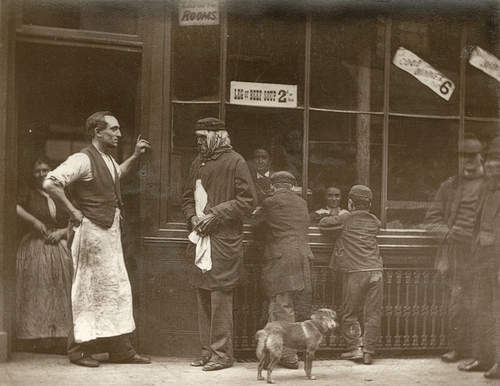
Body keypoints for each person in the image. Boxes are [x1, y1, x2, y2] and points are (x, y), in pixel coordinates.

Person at [42, 111, 151, 367]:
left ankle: (120, 350)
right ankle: (79, 351)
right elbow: (51, 182)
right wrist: (73, 211)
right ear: (97, 132)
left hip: (109, 234)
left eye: (118, 129)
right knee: (87, 291)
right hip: (90, 233)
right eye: (113, 129)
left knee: (115, 290)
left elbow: (116, 175)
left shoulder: (108, 160)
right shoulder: (82, 158)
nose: (119, 134)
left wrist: (134, 157)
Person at [182, 117, 257, 371]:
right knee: (202, 294)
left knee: (220, 298)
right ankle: (207, 352)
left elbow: (248, 201)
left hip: (224, 242)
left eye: (203, 138)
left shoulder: (236, 161)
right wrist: (192, 217)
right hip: (201, 239)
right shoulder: (197, 162)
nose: (199, 143)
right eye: (198, 138)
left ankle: (222, 355)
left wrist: (216, 213)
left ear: (216, 136)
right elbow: (185, 198)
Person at [425, 133, 484, 363]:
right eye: (463, 156)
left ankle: (482, 354)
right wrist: (448, 235)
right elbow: (431, 219)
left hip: (485, 252)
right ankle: (458, 348)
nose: (468, 160)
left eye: (472, 155)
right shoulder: (450, 185)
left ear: (481, 157)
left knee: (485, 303)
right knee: (458, 302)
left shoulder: (493, 185)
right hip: (457, 254)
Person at [253, 170, 314, 369]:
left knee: (283, 306)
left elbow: (256, 225)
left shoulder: (270, 203)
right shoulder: (302, 203)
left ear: (273, 186)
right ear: (292, 185)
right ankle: (272, 352)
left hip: (281, 260)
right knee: (278, 305)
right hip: (301, 259)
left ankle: (289, 356)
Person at [319, 185, 382, 365]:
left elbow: (323, 224)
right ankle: (369, 351)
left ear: (351, 203)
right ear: (369, 203)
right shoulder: (374, 220)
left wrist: (341, 215)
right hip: (376, 270)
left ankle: (354, 347)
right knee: (373, 313)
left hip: (356, 271)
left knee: (350, 313)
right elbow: (375, 227)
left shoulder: (345, 218)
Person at [15, 156, 72, 354]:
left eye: (45, 170)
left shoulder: (61, 194)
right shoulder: (29, 192)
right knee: (38, 290)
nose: (41, 174)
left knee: (61, 290)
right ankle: (36, 338)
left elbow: (78, 217)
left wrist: (62, 232)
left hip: (59, 244)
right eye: (37, 171)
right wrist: (34, 222)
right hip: (35, 246)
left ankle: (60, 338)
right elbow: (14, 207)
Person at [458, 135, 500, 378]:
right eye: (492, 160)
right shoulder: (487, 185)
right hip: (483, 257)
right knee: (482, 307)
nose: (494, 165)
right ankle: (485, 358)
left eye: (499, 161)